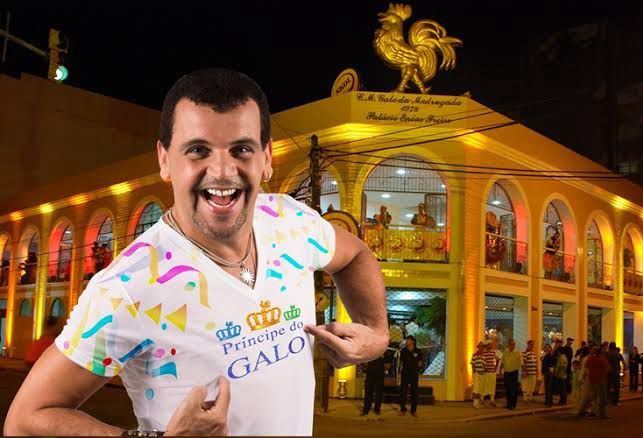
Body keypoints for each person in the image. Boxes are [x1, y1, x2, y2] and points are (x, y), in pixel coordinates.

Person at [5, 69, 390, 437]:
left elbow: (355, 255)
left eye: (241, 149)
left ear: (267, 158)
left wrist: (376, 333)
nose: (221, 171)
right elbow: (25, 421)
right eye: (198, 150)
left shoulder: (290, 220)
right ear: (164, 160)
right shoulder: (128, 287)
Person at [578, 346, 610, 419]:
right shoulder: (602, 359)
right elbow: (607, 369)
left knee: (588, 396)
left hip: (590, 379)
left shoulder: (590, 358)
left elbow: (586, 367)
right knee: (601, 397)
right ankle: (602, 414)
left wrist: (584, 377)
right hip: (600, 380)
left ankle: (582, 411)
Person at [399, 335, 423, 417]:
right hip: (405, 373)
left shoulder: (418, 351)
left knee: (414, 392)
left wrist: (417, 369)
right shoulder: (403, 351)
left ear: (412, 341)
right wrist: (400, 370)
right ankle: (403, 409)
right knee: (403, 391)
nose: (406, 342)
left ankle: (414, 410)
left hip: (414, 373)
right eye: (406, 340)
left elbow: (420, 362)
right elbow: (401, 362)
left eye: (408, 340)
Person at [362, 348, 390, 416]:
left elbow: (388, 365)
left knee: (379, 393)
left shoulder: (385, 351)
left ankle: (377, 409)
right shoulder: (369, 350)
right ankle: (366, 410)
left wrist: (381, 369)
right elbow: (364, 362)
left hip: (380, 375)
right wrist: (369, 367)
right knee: (368, 392)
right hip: (370, 374)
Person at [501, 339, 521, 410]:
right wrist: (500, 371)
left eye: (514, 344)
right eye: (511, 344)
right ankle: (508, 404)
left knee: (513, 389)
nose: (513, 346)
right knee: (507, 389)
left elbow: (522, 363)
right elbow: (502, 362)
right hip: (507, 373)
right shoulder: (505, 352)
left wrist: (524, 372)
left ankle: (513, 404)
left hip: (514, 372)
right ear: (508, 345)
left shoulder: (517, 353)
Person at [482, 340, 498, 407]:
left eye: (491, 344)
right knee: (484, 386)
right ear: (487, 345)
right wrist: (483, 368)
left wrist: (495, 367)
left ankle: (492, 400)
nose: (491, 345)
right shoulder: (483, 352)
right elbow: (481, 361)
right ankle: (482, 399)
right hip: (485, 372)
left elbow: (497, 359)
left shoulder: (493, 352)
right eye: (490, 344)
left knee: (492, 386)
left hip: (492, 372)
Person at [471, 342, 486, 408]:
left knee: (479, 389)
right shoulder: (475, 355)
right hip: (477, 373)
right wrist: (474, 372)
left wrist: (484, 371)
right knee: (476, 389)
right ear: (478, 347)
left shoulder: (483, 356)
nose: (482, 348)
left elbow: (484, 365)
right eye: (480, 347)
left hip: (482, 374)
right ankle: (475, 404)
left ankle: (477, 403)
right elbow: (472, 364)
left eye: (482, 347)